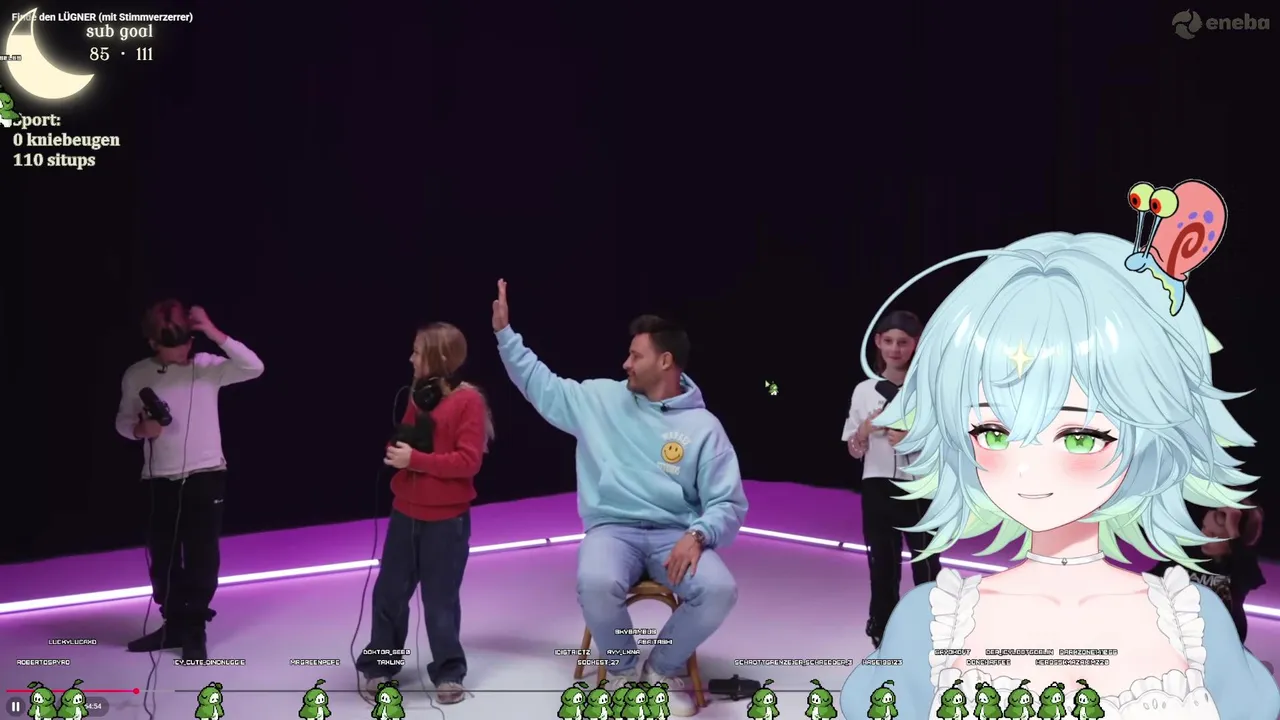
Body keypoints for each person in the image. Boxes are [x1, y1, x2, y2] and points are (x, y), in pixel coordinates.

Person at [837, 230, 1279, 719]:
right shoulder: (931, 621)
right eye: (994, 431)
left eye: (1081, 437)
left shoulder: (1194, 620)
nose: (1031, 465)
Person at [491, 280, 747, 717]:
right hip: (612, 530)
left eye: (635, 356)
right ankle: (623, 671)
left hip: (674, 535)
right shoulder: (601, 399)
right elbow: (542, 386)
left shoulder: (704, 427)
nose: (625, 363)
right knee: (595, 582)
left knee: (719, 590)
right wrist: (505, 335)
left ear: (665, 361)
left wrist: (699, 535)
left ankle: (661, 668)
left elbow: (729, 502)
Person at [114, 300, 264, 661]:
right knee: (163, 556)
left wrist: (212, 330)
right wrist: (140, 430)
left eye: (185, 345)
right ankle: (174, 624)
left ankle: (195, 627)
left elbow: (254, 367)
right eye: (171, 349)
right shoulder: (137, 375)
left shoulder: (208, 367)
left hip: (205, 475)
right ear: (153, 343)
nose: (181, 354)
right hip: (158, 479)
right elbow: (122, 421)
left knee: (202, 555)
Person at [357, 322, 494, 706]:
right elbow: (409, 439)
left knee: (440, 600)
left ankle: (449, 672)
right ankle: (381, 665)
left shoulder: (469, 402)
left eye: (417, 351)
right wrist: (398, 448)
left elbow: (467, 462)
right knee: (389, 593)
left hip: (446, 521)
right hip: (406, 513)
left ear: (439, 357)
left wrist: (415, 459)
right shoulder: (421, 394)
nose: (411, 358)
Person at [841, 310, 939, 648]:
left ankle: (931, 624)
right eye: (889, 341)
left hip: (919, 485)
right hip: (877, 484)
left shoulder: (928, 389)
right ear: (878, 342)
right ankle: (882, 625)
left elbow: (946, 441)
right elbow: (854, 448)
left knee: (926, 559)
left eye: (903, 342)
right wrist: (866, 429)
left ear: (916, 344)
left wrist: (913, 437)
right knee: (882, 560)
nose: (895, 349)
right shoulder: (864, 390)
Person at [1150, 503, 1266, 644]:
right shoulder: (1188, 556)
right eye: (1204, 528)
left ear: (1234, 541)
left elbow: (1250, 576)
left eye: (1214, 536)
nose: (1205, 538)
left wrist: (1234, 531)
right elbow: (1152, 579)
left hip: (1218, 642)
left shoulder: (1237, 569)